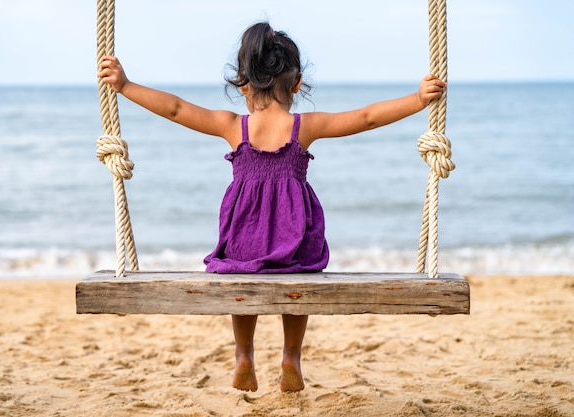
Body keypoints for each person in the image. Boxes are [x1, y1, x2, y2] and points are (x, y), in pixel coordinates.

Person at [98, 21, 446, 393]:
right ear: (297, 84)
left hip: (243, 236)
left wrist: (126, 86)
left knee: (239, 278)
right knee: (298, 282)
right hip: (295, 236)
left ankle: (244, 353)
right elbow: (366, 118)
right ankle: (291, 356)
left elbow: (175, 109)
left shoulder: (233, 125)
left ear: (243, 84)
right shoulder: (305, 127)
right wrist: (418, 98)